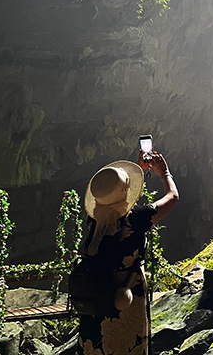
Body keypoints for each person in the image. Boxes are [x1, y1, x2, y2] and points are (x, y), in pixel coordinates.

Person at [76, 150, 179, 355]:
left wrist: (139, 169)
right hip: (126, 294)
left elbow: (115, 198)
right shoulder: (136, 220)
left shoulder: (94, 220)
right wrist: (165, 174)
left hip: (97, 294)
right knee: (126, 343)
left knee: (96, 343)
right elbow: (172, 197)